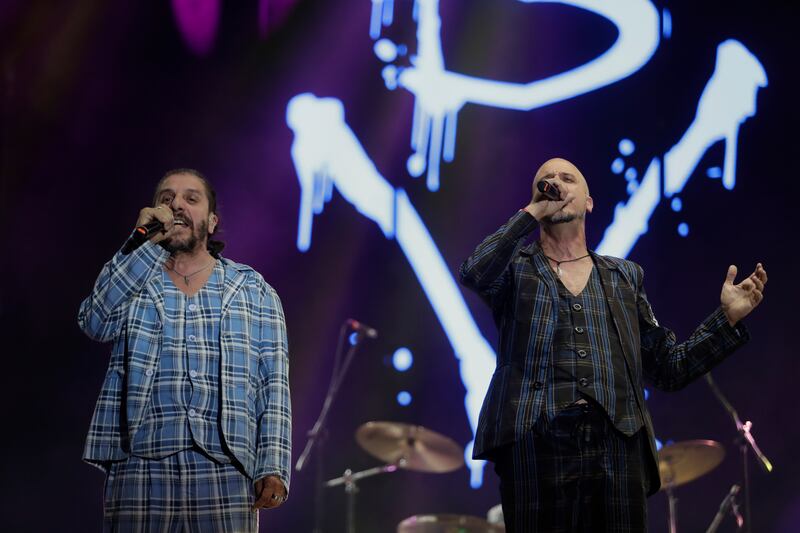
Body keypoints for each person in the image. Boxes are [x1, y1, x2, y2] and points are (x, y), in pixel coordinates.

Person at [459, 158, 767, 532]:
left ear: (589, 202)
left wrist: (726, 319)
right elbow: (474, 272)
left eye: (567, 178)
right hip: (534, 441)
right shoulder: (514, 269)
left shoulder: (624, 276)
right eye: (546, 180)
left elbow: (669, 368)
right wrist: (531, 213)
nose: (556, 183)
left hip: (617, 445)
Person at [78, 169, 291, 532]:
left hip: (225, 470)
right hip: (140, 467)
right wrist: (142, 243)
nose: (176, 204)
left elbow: (274, 383)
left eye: (191, 198)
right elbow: (94, 321)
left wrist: (273, 465)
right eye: (166, 198)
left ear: (212, 221)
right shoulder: (135, 278)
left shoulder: (252, 289)